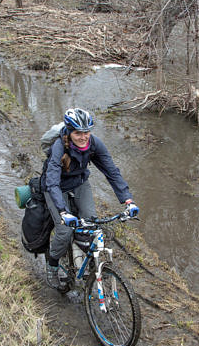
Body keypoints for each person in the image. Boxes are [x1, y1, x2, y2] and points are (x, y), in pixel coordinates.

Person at [41, 107, 139, 290]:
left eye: (86, 132)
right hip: (55, 186)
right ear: (69, 133)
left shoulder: (94, 144)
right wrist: (63, 211)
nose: (83, 137)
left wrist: (128, 200)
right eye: (78, 133)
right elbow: (52, 182)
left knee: (90, 224)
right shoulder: (59, 147)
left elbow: (111, 171)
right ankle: (52, 265)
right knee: (64, 231)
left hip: (79, 183)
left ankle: (83, 258)